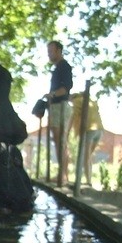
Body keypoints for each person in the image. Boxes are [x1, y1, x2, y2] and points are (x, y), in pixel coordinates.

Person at [44, 41, 73, 185]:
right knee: (57, 140)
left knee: (61, 140)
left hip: (61, 106)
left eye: (51, 51)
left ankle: (64, 175)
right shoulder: (57, 68)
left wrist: (51, 95)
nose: (49, 54)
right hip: (55, 106)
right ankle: (62, 173)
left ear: (59, 51)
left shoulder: (64, 67)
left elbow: (65, 89)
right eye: (48, 51)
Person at [70, 92, 104, 185]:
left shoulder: (77, 101)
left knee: (85, 156)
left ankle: (87, 182)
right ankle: (88, 180)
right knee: (88, 157)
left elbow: (73, 116)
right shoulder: (91, 101)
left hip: (89, 129)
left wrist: (67, 131)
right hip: (100, 130)